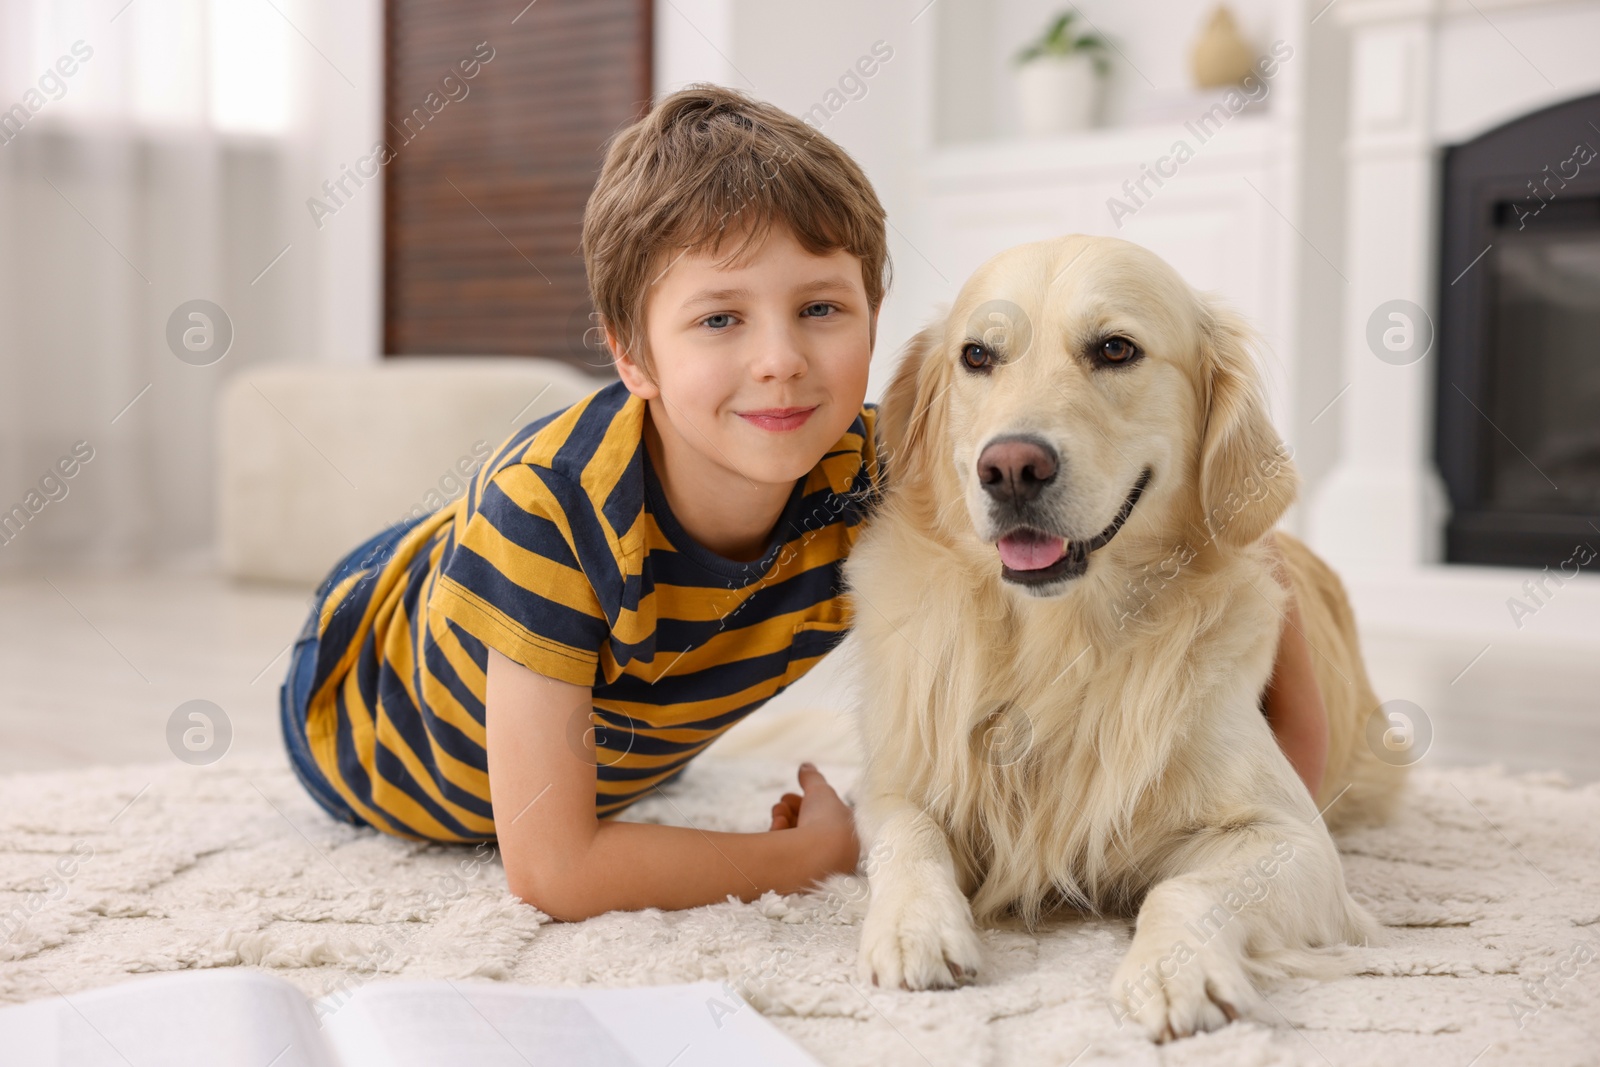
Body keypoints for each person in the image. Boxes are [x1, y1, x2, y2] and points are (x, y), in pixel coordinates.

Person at [279, 84, 1327, 922]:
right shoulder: (547, 521)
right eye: (720, 318)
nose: (780, 362)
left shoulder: (880, 459)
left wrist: (1293, 787)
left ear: (878, 320)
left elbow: (1232, 537)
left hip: (617, 743)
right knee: (505, 691)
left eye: (819, 308)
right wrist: (800, 855)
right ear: (631, 353)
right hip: (366, 701)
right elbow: (551, 869)